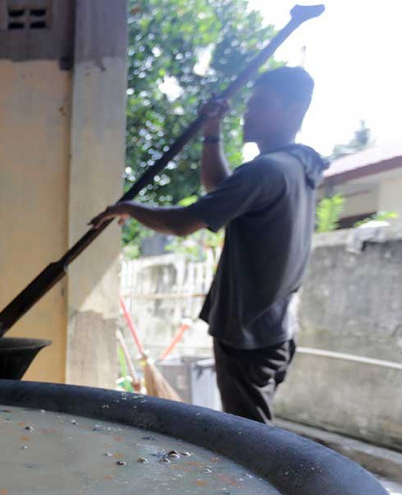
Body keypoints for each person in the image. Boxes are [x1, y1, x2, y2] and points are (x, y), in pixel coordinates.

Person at [92, 67, 328, 424]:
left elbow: (183, 223)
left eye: (261, 104)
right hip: (273, 328)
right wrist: (212, 130)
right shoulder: (296, 168)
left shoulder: (266, 171)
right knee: (251, 427)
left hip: (248, 332)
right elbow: (220, 189)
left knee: (249, 436)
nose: (248, 113)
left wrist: (128, 208)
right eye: (250, 104)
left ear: (294, 111)